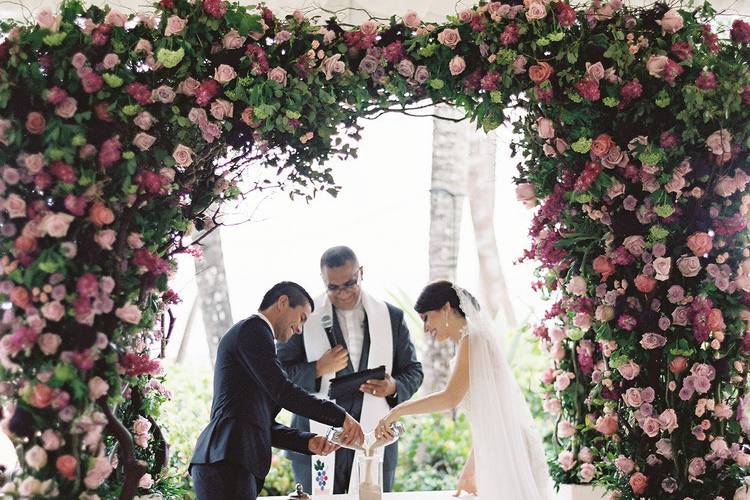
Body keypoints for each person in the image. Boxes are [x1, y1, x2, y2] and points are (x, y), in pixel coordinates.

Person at [375, 281, 551, 500]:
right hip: (499, 446)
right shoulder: (471, 341)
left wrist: (397, 410)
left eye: (426, 317)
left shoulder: (473, 339)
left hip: (507, 451)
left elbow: (450, 397)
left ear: (446, 308)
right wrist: (471, 467)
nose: (425, 328)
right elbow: (490, 416)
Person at [190, 281, 365, 500]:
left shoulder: (258, 346)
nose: (300, 329)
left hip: (229, 461)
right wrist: (339, 416)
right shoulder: (253, 329)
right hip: (225, 459)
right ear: (282, 302)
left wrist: (307, 441)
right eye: (301, 317)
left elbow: (260, 423)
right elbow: (285, 392)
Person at [277, 246, 423, 493]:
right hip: (316, 438)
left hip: (374, 438)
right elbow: (279, 375)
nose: (343, 293)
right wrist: (318, 368)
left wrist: (394, 386)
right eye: (333, 287)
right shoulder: (302, 317)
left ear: (361, 272)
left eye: (350, 283)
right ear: (323, 281)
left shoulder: (392, 317)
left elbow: (413, 371)